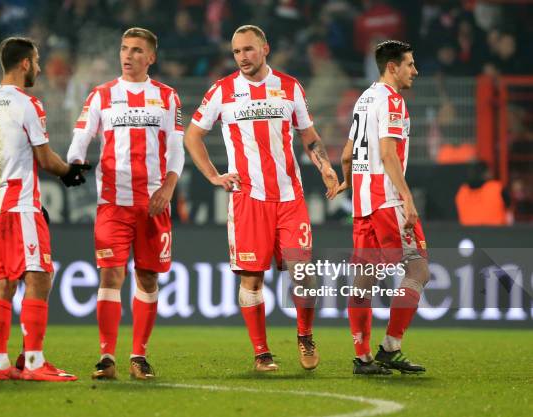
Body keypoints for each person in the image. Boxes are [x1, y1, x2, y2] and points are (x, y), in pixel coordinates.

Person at [184, 25, 338, 372]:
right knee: (252, 279)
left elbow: (309, 136)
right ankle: (261, 352)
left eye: (249, 50)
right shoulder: (222, 91)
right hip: (248, 199)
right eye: (237, 52)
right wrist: (213, 175)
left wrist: (325, 167)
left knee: (303, 273)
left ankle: (305, 335)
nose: (242, 58)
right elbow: (193, 136)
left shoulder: (289, 87)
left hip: (289, 197)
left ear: (265, 48)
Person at [0, 36, 89, 381]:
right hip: (18, 202)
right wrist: (69, 172)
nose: (40, 68)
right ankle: (33, 362)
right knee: (39, 275)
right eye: (37, 61)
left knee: (0, 280)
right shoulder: (27, 103)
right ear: (25, 63)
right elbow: (44, 158)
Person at [67, 27, 185, 380]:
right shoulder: (102, 95)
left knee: (147, 278)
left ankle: (139, 356)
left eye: (136, 50)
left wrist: (168, 187)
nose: (128, 55)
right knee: (110, 274)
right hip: (112, 205)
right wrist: (76, 162)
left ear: (151, 57)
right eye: (124, 49)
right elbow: (80, 139)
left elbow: (177, 150)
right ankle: (106, 356)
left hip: (153, 204)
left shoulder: (167, 96)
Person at [335, 40, 429, 375]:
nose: (414, 71)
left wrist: (347, 181)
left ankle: (362, 357)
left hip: (362, 204)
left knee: (364, 280)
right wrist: (407, 197)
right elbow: (389, 155)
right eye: (410, 64)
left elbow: (347, 153)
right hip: (387, 201)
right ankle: (391, 347)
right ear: (393, 67)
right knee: (418, 270)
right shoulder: (391, 101)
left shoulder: (364, 98)